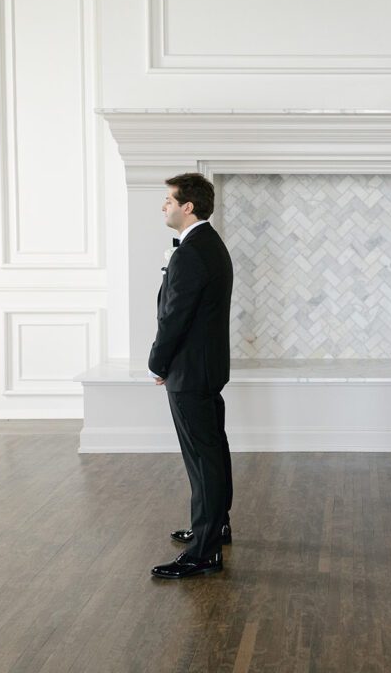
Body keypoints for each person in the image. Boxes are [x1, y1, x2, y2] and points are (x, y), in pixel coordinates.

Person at [148, 173, 234, 579]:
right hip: (204, 367)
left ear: (188, 206)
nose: (164, 205)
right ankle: (215, 526)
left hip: (190, 370)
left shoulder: (192, 252)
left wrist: (158, 363)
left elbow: (174, 317)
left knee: (203, 459)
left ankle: (205, 551)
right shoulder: (208, 244)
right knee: (212, 451)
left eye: (169, 199)